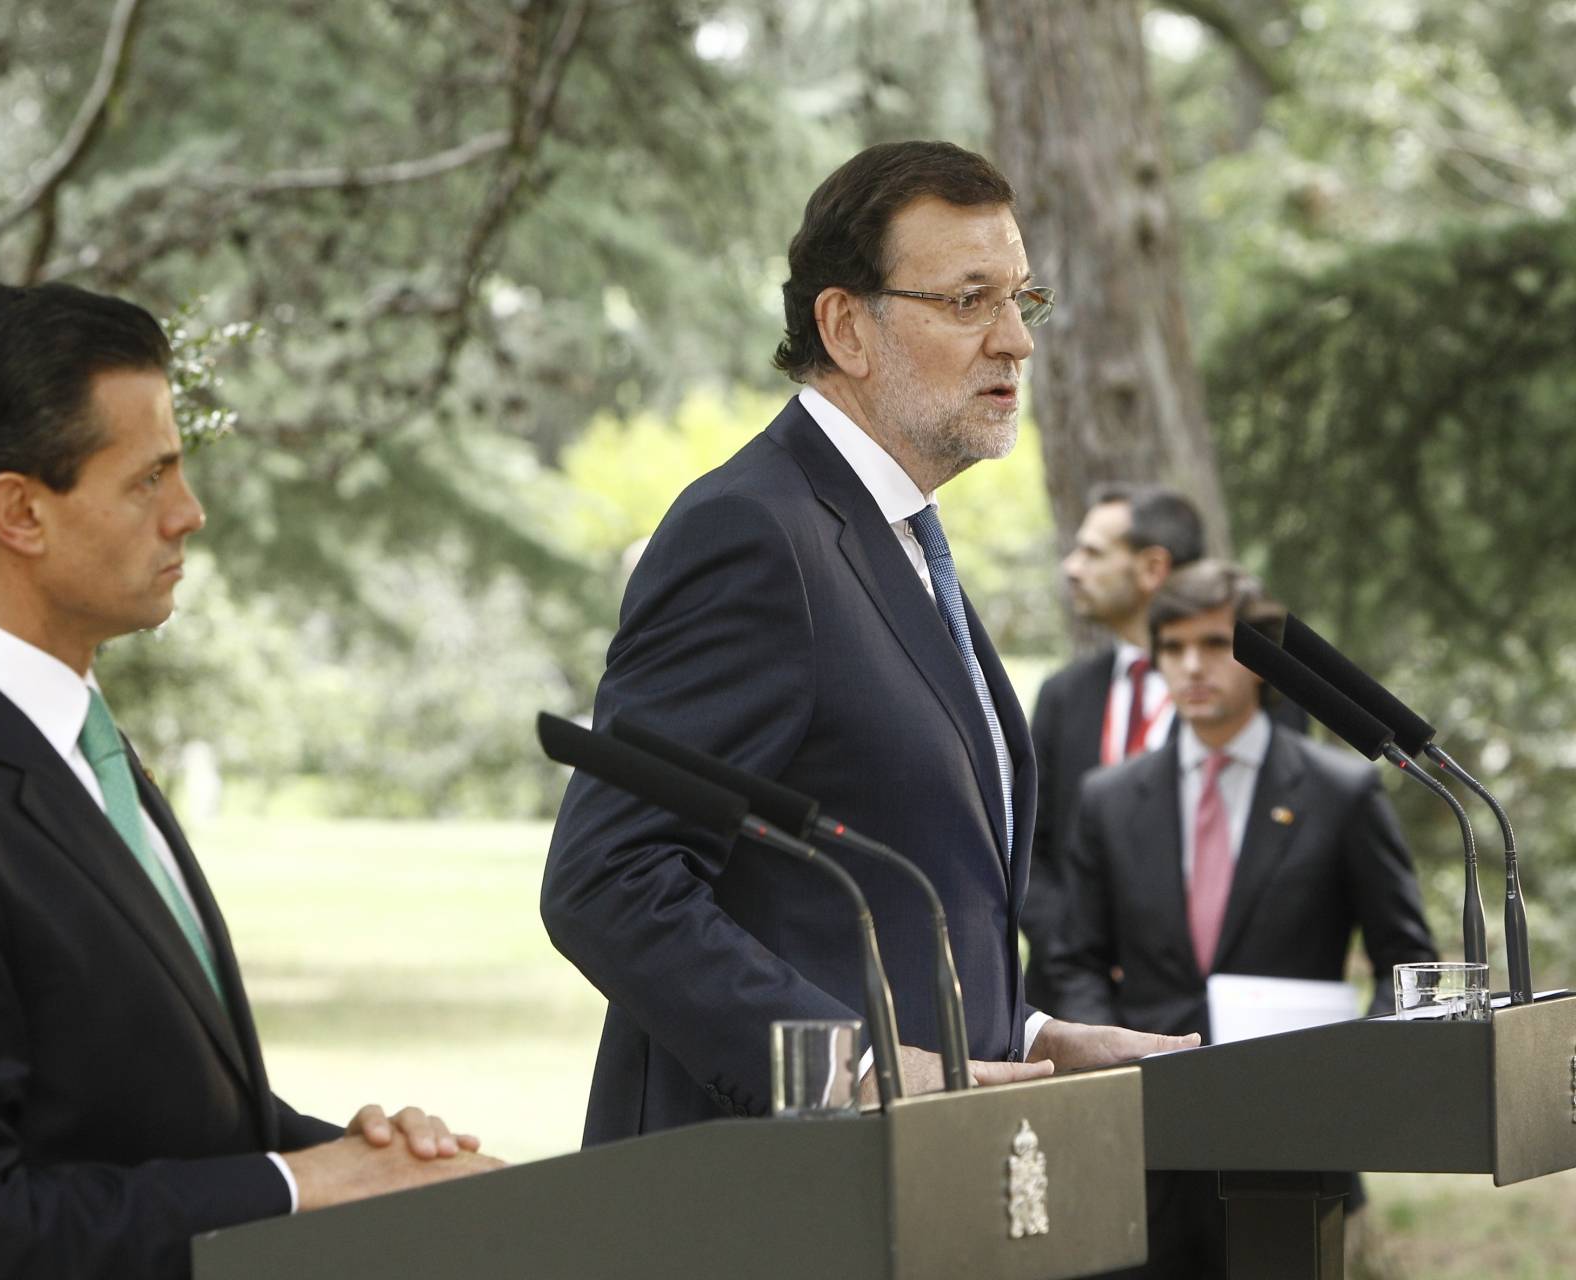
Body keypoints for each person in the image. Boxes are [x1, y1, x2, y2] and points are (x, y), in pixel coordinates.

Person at [0, 282, 500, 1280]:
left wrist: (366, 1162)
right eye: (149, 477)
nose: (189, 513)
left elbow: (159, 1119)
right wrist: (297, 1186)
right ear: (17, 511)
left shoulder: (75, 736)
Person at [540, 140, 1195, 1146]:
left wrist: (1038, 1036)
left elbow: (891, 896)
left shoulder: (898, 539)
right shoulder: (753, 532)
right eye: (970, 300)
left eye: (1024, 298)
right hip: (761, 1194)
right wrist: (849, 1067)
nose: (1016, 342)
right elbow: (609, 881)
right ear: (847, 324)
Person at [1048, 559, 1437, 1277]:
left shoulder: (1342, 791)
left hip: (1292, 1144)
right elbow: (1073, 955)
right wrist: (1108, 1060)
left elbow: (1408, 963)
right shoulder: (1107, 798)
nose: (1193, 666)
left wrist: (1354, 1072)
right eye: (1173, 648)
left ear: (1261, 662)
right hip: (1144, 1144)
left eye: (1213, 644)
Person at [1024, 484, 1206, 1011]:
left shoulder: (1250, 695)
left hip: (1197, 1013)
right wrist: (1083, 950)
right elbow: (1027, 848)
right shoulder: (1063, 695)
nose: (1071, 567)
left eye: (1094, 553)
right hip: (1068, 1006)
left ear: (1152, 568)